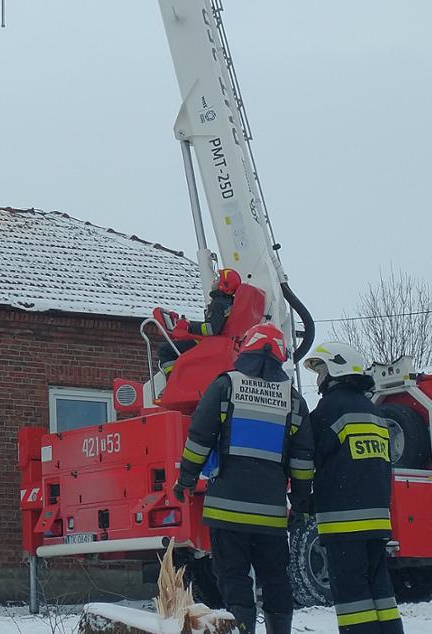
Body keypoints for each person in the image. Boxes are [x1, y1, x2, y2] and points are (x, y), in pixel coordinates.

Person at [171, 322, 310, 634]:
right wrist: (301, 503)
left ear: (247, 347)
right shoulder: (294, 399)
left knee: (234, 579)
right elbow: (302, 460)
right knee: (275, 579)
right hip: (271, 516)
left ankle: (241, 629)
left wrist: (186, 480)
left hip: (226, 511)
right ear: (280, 353)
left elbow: (199, 438)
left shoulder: (225, 386)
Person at [301, 341, 403, 634]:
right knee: (381, 592)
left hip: (343, 521)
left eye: (321, 370)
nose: (319, 378)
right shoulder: (373, 412)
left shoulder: (329, 409)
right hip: (377, 520)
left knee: (352, 598)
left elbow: (308, 455)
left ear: (335, 369)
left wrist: (304, 498)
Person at [155, 268, 243, 367]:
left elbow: (211, 329)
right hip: (214, 343)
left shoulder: (218, 304)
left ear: (224, 285)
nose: (215, 280)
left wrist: (189, 327)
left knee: (165, 349)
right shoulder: (226, 303)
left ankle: (171, 378)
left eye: (218, 279)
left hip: (207, 343)